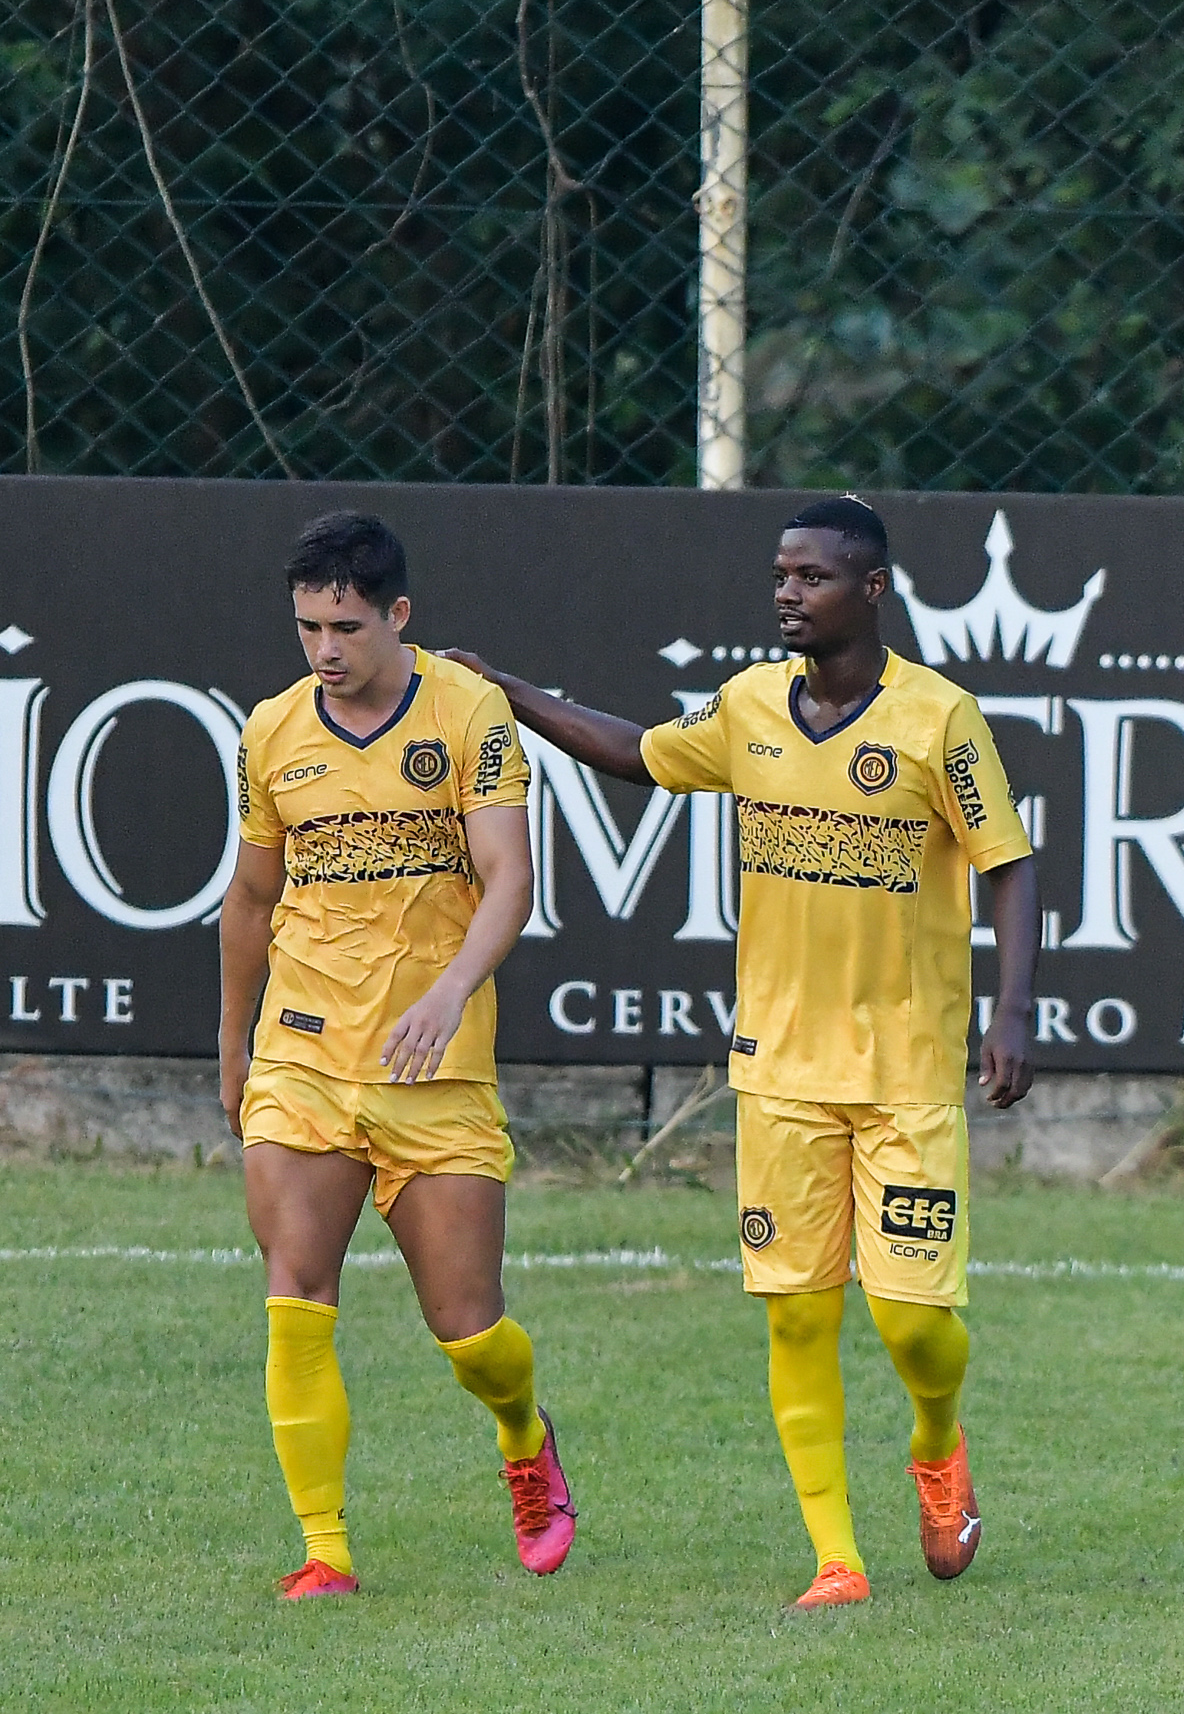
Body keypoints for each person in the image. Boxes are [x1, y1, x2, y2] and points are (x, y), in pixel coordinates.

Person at [451, 495, 1041, 1609]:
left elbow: (1006, 861)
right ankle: (836, 1555)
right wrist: (508, 694)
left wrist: (1012, 1013)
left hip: (907, 1067)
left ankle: (937, 1439)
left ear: (870, 590)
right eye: (780, 573)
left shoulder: (939, 718)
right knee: (800, 1308)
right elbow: (637, 753)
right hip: (778, 1066)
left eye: (811, 576)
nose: (785, 591)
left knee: (915, 1323)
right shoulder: (748, 706)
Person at [220, 511, 567, 1599]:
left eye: (347, 625)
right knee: (295, 1289)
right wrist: (232, 1043)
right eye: (307, 626)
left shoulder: (473, 713)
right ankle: (324, 1548)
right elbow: (250, 895)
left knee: (470, 1331)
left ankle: (523, 1432)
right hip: (305, 1053)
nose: (326, 647)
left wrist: (452, 988)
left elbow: (508, 875)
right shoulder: (272, 730)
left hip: (434, 1062)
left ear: (398, 616)